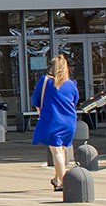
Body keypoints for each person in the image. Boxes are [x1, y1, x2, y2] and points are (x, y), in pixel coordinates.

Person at [34, 54, 81, 190]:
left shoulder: (46, 81)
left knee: (56, 152)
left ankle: (64, 182)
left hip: (52, 120)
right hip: (69, 121)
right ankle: (56, 178)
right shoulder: (71, 84)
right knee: (60, 149)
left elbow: (35, 99)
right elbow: (75, 100)